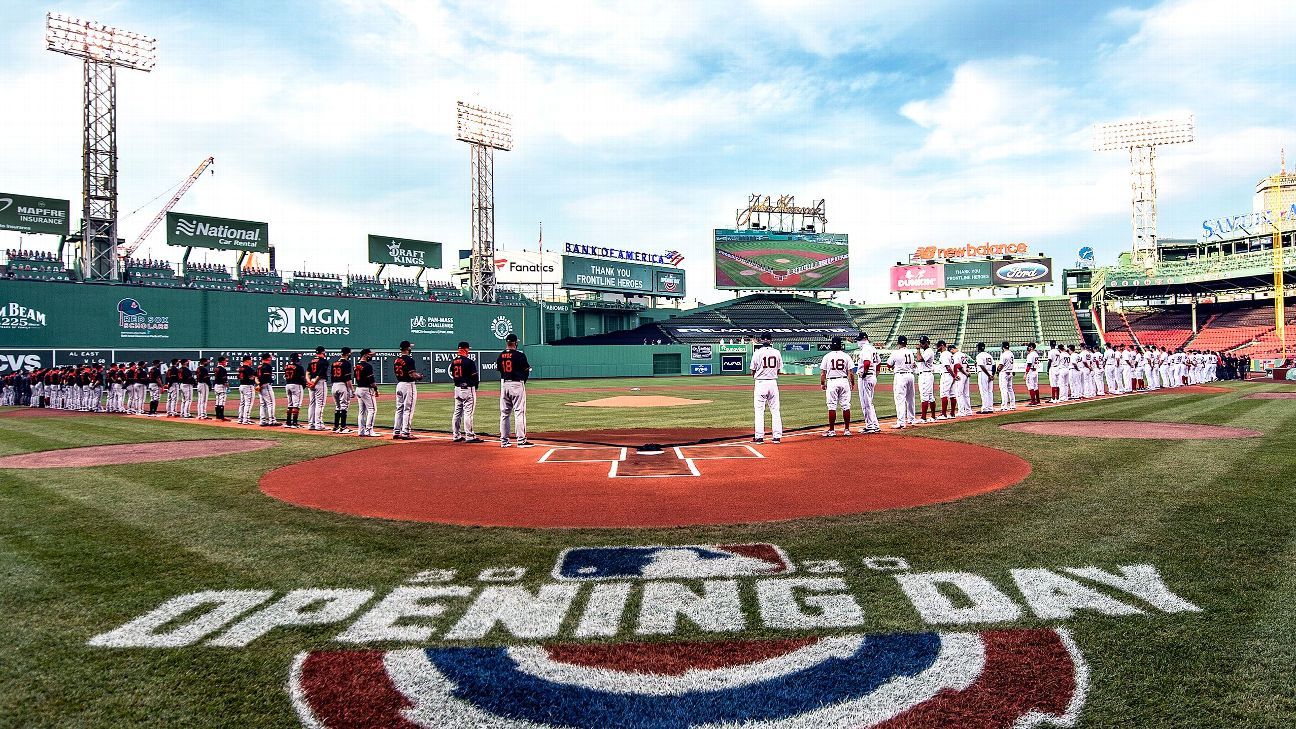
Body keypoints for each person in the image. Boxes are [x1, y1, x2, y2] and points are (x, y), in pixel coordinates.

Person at [497, 333, 532, 447]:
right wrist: (522, 382)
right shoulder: (520, 355)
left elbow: (500, 370)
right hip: (517, 383)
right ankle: (521, 440)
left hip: (504, 384)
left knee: (504, 413)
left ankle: (504, 441)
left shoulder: (501, 355)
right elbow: (526, 371)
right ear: (516, 343)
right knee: (519, 412)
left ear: (507, 343)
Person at [751, 332, 783, 443]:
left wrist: (758, 375)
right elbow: (779, 369)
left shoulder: (757, 353)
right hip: (773, 383)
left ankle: (759, 437)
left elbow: (753, 370)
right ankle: (777, 437)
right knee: (775, 411)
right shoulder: (777, 352)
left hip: (760, 383)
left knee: (759, 411)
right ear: (771, 340)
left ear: (761, 340)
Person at [819, 336, 853, 437]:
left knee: (832, 406)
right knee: (846, 405)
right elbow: (850, 372)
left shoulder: (827, 356)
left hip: (832, 382)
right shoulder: (846, 356)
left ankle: (832, 430)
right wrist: (852, 383)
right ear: (841, 345)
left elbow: (823, 373)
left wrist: (822, 383)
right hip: (843, 380)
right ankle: (847, 430)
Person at [450, 341, 482, 443]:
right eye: (468, 349)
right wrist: (475, 386)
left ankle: (456, 435)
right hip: (467, 389)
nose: (468, 351)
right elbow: (475, 376)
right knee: (468, 413)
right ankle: (470, 436)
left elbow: (452, 372)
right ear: (465, 349)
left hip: (457, 388)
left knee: (457, 413)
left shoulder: (454, 361)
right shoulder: (469, 362)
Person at [884, 335, 917, 428]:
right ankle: (912, 419)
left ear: (898, 343)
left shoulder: (896, 353)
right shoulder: (910, 352)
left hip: (901, 376)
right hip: (910, 375)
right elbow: (913, 364)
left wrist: (895, 366)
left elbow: (888, 364)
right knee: (910, 399)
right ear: (906, 343)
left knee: (900, 399)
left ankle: (901, 422)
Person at [392, 341, 422, 440]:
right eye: (410, 347)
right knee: (408, 409)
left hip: (399, 385)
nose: (411, 348)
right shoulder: (409, 360)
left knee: (399, 409)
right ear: (407, 348)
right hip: (408, 385)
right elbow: (412, 375)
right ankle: (406, 432)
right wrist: (419, 376)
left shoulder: (396, 360)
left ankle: (396, 431)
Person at [854, 331, 880, 434]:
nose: (858, 343)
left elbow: (867, 362)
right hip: (872, 376)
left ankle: (870, 426)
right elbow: (878, 363)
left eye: (858, 340)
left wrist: (865, 373)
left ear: (862, 340)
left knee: (866, 403)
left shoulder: (865, 349)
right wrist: (875, 374)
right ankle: (875, 425)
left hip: (866, 377)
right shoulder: (873, 348)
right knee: (869, 402)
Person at [354, 348, 380, 437]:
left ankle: (361, 431)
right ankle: (369, 431)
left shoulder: (356, 365)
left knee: (362, 411)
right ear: (365, 355)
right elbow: (371, 381)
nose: (371, 356)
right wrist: (376, 390)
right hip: (366, 389)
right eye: (370, 355)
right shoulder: (368, 366)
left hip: (358, 388)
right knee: (372, 410)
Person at [330, 347, 355, 433]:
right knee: (344, 406)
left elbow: (332, 377)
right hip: (342, 385)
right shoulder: (347, 363)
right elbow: (348, 379)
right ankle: (343, 427)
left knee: (337, 406)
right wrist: (352, 390)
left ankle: (335, 426)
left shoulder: (334, 363)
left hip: (334, 385)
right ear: (348, 353)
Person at [306, 347, 329, 431]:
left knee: (312, 403)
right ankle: (318, 424)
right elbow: (321, 374)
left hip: (312, 381)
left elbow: (307, 372)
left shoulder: (312, 361)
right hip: (319, 382)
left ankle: (311, 424)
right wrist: (314, 383)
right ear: (323, 352)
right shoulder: (324, 361)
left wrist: (309, 382)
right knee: (320, 403)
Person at [282, 353, 306, 429]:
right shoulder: (299, 367)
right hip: (296, 385)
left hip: (288, 385)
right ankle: (294, 423)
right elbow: (302, 378)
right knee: (297, 404)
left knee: (290, 404)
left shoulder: (286, 366)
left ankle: (288, 422)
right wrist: (304, 385)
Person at [915, 335, 936, 423]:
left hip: (925, 375)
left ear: (928, 343)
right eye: (921, 343)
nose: (922, 345)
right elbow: (920, 362)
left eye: (923, 343)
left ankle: (923, 418)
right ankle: (933, 417)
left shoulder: (928, 351)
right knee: (930, 396)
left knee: (924, 396)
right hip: (926, 374)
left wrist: (918, 350)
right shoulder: (926, 351)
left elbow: (920, 359)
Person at [950, 343, 973, 417]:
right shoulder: (963, 354)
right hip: (965, 374)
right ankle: (968, 411)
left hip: (961, 374)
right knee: (966, 394)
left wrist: (965, 373)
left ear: (952, 349)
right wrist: (968, 372)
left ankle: (961, 411)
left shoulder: (956, 355)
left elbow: (958, 366)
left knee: (959, 393)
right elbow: (968, 365)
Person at [256, 353, 278, 426]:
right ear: (268, 358)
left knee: (263, 404)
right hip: (265, 385)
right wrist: (260, 384)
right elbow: (265, 377)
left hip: (261, 386)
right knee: (270, 403)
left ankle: (262, 421)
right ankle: (272, 421)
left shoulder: (259, 367)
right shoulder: (267, 366)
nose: (271, 359)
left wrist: (258, 384)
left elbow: (255, 376)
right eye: (270, 358)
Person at [236, 355, 257, 425]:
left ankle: (240, 419)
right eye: (250, 360)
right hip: (248, 386)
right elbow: (251, 377)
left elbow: (238, 377)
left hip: (241, 385)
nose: (251, 361)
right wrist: (254, 377)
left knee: (242, 403)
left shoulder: (240, 368)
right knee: (248, 403)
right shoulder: (248, 369)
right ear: (247, 360)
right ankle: (246, 419)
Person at [975, 342, 995, 414]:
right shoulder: (989, 355)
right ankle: (990, 407)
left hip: (983, 373)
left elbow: (982, 366)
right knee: (990, 391)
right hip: (990, 372)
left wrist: (988, 375)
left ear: (979, 348)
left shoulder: (979, 355)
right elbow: (994, 365)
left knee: (984, 391)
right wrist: (992, 374)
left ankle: (985, 408)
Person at [937, 340, 954, 419]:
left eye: (938, 346)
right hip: (951, 376)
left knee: (944, 394)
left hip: (946, 375)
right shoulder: (950, 354)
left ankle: (944, 414)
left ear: (942, 345)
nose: (937, 348)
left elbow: (947, 367)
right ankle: (952, 414)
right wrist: (954, 376)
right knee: (952, 394)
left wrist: (953, 375)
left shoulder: (944, 354)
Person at [997, 342, 1017, 411]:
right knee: (1010, 389)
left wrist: (997, 370)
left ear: (1002, 347)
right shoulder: (1011, 353)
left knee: (1003, 389)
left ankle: (1004, 406)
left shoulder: (1003, 354)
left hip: (1004, 372)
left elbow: (1001, 365)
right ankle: (1012, 405)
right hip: (1010, 372)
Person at [212, 356, 230, 421]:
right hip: (221, 386)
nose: (226, 362)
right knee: (221, 401)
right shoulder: (223, 369)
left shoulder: (216, 368)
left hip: (216, 385)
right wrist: (228, 387)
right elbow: (224, 380)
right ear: (222, 362)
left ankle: (217, 416)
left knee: (217, 401)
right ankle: (221, 417)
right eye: (225, 361)